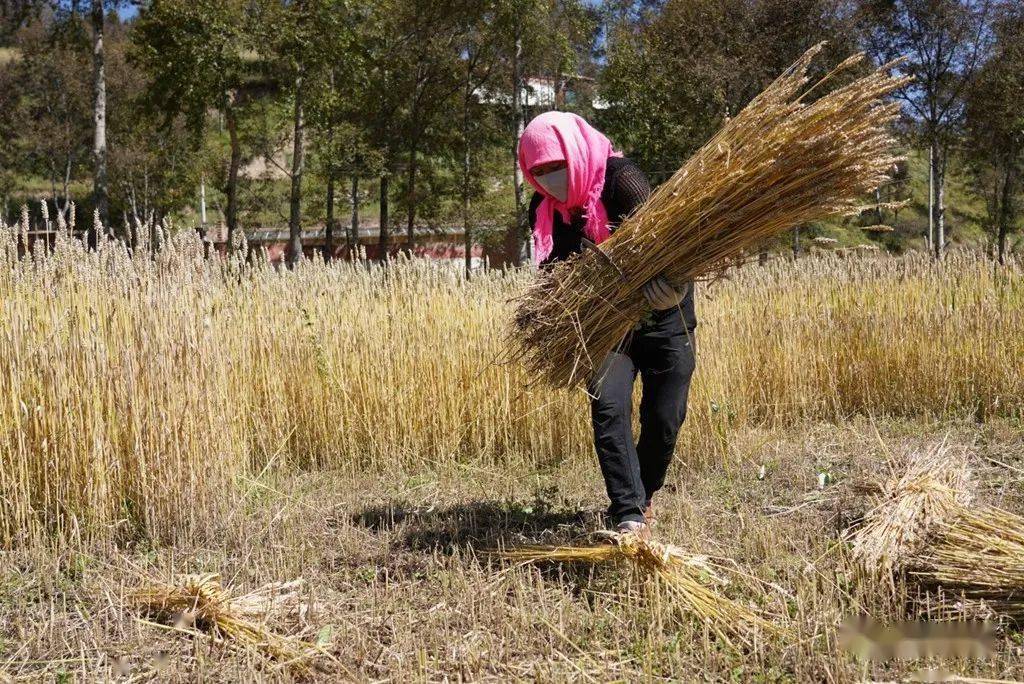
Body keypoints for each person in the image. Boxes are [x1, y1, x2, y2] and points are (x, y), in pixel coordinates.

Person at [519, 111, 697, 540]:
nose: (549, 178)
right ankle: (628, 513)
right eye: (538, 171)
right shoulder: (544, 209)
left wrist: (676, 287)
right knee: (608, 408)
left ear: (575, 151)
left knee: (665, 417)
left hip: (664, 314)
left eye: (555, 165)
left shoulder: (622, 179)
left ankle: (645, 493)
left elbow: (671, 242)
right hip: (604, 327)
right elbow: (555, 273)